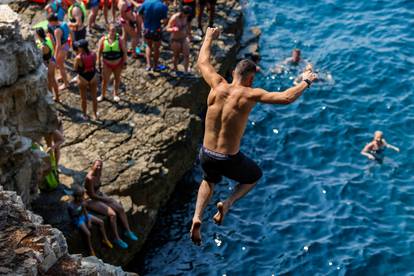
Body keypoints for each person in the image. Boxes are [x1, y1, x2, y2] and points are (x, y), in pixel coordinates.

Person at [190, 28, 317, 245]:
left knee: (208, 179)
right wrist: (305, 81)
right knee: (254, 176)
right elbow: (286, 98)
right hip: (228, 158)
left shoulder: (217, 84)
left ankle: (197, 217)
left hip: (206, 153)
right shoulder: (250, 94)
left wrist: (209, 37)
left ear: (233, 74)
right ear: (250, 79)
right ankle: (228, 203)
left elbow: (202, 62)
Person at [85, 160, 138, 249]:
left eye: (100, 166)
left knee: (120, 208)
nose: (99, 168)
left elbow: (97, 191)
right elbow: (91, 195)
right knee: (112, 214)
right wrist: (105, 199)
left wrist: (104, 197)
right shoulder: (89, 178)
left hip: (99, 195)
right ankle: (116, 238)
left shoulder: (99, 173)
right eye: (97, 166)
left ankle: (128, 231)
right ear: (92, 166)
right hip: (90, 200)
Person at [68, 185, 113, 256]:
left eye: (82, 196)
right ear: (76, 197)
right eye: (81, 196)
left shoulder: (82, 201)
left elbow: (85, 211)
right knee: (88, 233)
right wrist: (82, 209)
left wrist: (88, 220)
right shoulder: (71, 206)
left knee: (101, 222)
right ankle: (90, 249)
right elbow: (74, 217)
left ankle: (105, 239)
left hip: (83, 215)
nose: (83, 198)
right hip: (77, 219)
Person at [97, 23, 128, 102]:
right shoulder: (103, 39)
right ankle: (102, 95)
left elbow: (124, 52)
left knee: (117, 79)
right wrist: (98, 62)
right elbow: (99, 52)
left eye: (114, 30)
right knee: (105, 80)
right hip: (107, 64)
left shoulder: (119, 40)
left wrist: (125, 63)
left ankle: (115, 94)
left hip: (118, 64)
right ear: (108, 31)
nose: (113, 32)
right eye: (111, 30)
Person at [139, 0, 168, 71]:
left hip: (147, 29)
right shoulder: (163, 6)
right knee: (156, 48)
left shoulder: (146, 2)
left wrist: (144, 22)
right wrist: (163, 26)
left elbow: (139, 13)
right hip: (156, 29)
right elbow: (165, 20)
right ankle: (155, 66)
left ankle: (148, 65)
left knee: (148, 46)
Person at [73, 39, 99, 120]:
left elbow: (75, 69)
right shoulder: (94, 54)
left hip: (83, 78)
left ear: (82, 48)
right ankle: (95, 115)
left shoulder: (78, 58)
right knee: (94, 97)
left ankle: (85, 115)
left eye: (78, 47)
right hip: (93, 77)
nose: (77, 48)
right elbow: (94, 64)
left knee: (83, 99)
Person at [35, 28, 60, 102]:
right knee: (53, 79)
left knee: (50, 81)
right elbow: (53, 45)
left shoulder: (43, 47)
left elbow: (40, 55)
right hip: (52, 59)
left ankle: (52, 97)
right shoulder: (48, 39)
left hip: (48, 63)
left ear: (38, 35)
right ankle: (57, 97)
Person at [47, 13, 71, 91]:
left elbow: (58, 45)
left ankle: (66, 84)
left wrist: (54, 56)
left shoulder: (57, 30)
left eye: (49, 22)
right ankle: (62, 76)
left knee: (60, 66)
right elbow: (71, 33)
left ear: (53, 21)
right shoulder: (64, 23)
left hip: (62, 48)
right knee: (62, 64)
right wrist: (72, 43)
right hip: (67, 44)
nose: (49, 24)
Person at [166, 5, 191, 74]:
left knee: (187, 55)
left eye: (187, 14)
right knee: (176, 56)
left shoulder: (186, 17)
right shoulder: (174, 18)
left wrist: (189, 35)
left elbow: (187, 26)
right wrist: (173, 29)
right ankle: (175, 70)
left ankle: (186, 71)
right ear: (182, 12)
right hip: (175, 39)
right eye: (185, 14)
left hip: (184, 38)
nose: (186, 15)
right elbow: (167, 28)